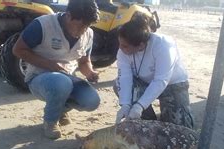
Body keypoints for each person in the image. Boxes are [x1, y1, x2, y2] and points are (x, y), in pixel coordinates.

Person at [13, 0, 100, 139]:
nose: (83, 30)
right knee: (61, 83)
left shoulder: (88, 34)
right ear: (68, 15)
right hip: (39, 77)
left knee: (92, 101)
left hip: (68, 79)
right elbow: (18, 50)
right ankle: (50, 121)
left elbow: (84, 61)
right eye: (80, 25)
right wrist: (50, 65)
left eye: (87, 25)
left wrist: (90, 72)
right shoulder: (42, 25)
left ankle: (59, 109)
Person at [114, 14, 194, 129]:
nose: (120, 48)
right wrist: (126, 105)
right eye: (120, 43)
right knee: (118, 83)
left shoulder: (163, 45)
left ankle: (144, 112)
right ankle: (147, 122)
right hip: (145, 82)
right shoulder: (123, 50)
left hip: (172, 84)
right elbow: (125, 77)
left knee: (179, 128)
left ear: (140, 45)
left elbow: (161, 80)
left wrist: (139, 106)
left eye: (125, 46)